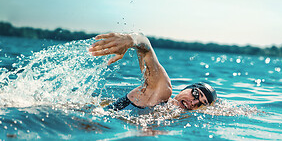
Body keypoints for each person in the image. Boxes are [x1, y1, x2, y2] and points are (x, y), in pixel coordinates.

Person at [89, 32, 217, 112]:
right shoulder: (161, 91)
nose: (194, 102)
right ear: (186, 88)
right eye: (195, 94)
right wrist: (130, 40)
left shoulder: (173, 112)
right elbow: (145, 47)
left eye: (201, 103)